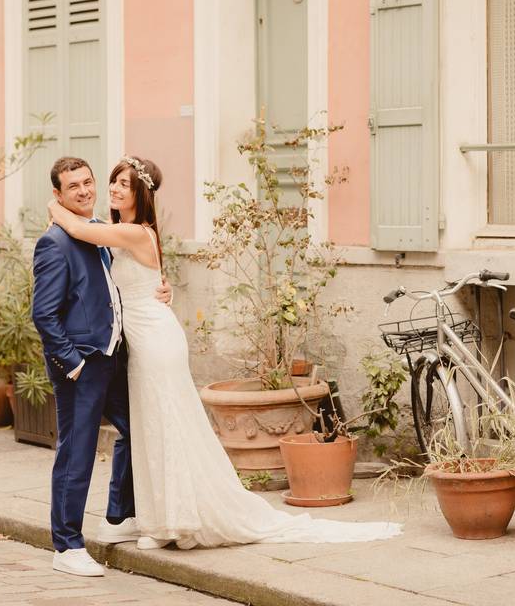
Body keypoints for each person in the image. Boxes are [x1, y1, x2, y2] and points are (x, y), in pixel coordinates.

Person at [47, 155, 401, 550]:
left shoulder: (134, 232)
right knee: (150, 429)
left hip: (157, 343)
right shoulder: (119, 231)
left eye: (122, 184)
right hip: (140, 342)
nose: (112, 189)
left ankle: (175, 521)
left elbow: (77, 227)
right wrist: (161, 287)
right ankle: (154, 517)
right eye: (112, 181)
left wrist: (54, 205)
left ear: (140, 194)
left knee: (166, 426)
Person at [31, 156, 172, 577]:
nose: (84, 190)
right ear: (58, 194)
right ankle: (67, 545)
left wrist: (159, 292)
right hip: (81, 364)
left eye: (88, 182)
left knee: (135, 428)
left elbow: (112, 290)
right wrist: (72, 364)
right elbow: (44, 315)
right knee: (77, 451)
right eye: (72, 186)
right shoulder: (55, 243)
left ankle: (118, 516)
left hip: (110, 355)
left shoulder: (97, 233)